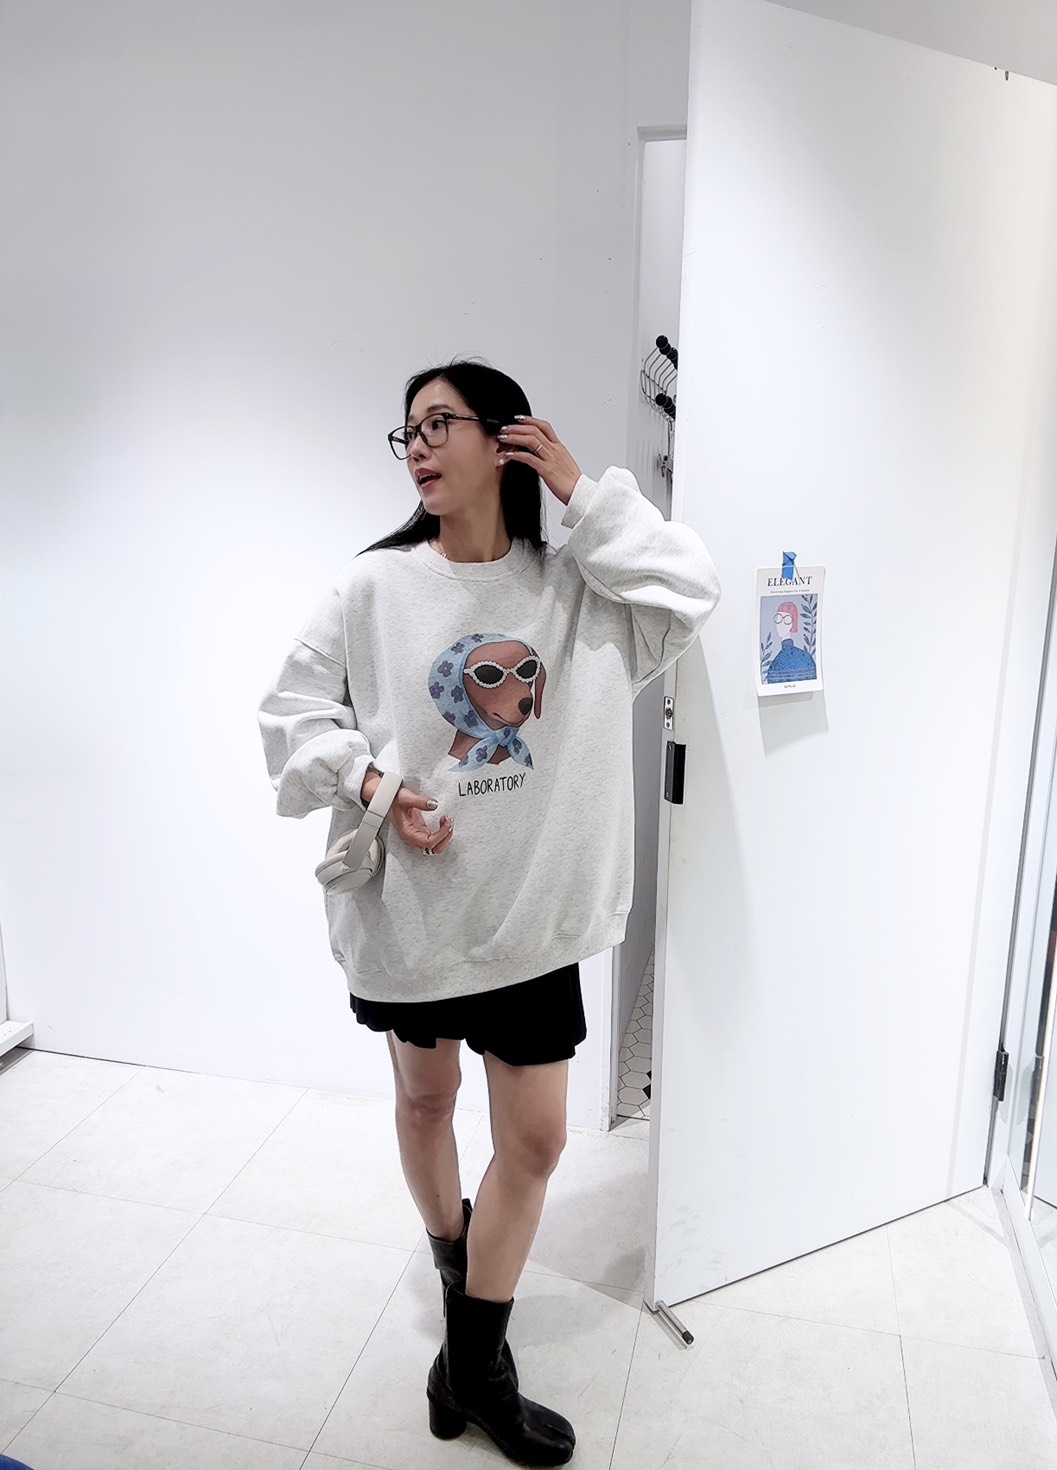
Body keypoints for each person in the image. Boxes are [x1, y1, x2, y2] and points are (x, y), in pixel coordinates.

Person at [257, 360, 721, 1465]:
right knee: (427, 1107)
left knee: (538, 1142)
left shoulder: (581, 591)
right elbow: (290, 713)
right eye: (406, 431)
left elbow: (690, 589)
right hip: (415, 924)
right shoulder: (373, 590)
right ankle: (468, 1311)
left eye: (439, 424)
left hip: (533, 922)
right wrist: (372, 784)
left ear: (506, 439)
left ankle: (470, 1365)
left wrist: (585, 495)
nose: (417, 447)